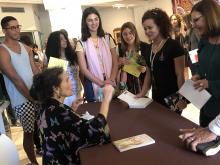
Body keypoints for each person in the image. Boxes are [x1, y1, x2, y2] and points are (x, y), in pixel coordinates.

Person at [30, 67, 114, 165]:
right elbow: (95, 130)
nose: (71, 82)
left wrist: (71, 109)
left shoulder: (45, 106)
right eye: (67, 80)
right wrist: (106, 99)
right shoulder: (60, 111)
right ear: (56, 89)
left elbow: (60, 126)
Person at [0, 16, 39, 164]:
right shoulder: (2, 51)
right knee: (29, 133)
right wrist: (32, 97)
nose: (16, 30)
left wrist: (42, 89)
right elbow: (15, 79)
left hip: (35, 95)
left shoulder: (25, 47)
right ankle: (33, 162)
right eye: (12, 27)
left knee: (41, 129)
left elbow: (34, 70)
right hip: (21, 99)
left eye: (18, 26)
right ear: (4, 30)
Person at [136, 8, 187, 114]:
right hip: (156, 97)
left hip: (172, 99)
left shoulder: (174, 46)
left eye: (150, 27)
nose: (147, 31)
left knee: (172, 127)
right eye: (145, 29)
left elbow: (180, 75)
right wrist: (142, 93)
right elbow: (149, 74)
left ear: (160, 26)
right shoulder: (148, 49)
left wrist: (183, 98)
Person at [183, 0, 220, 127]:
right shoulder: (204, 40)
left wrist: (209, 83)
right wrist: (198, 75)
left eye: (196, 20)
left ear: (210, 16)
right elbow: (201, 65)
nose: (193, 25)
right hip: (206, 105)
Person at [76, 7, 118, 102]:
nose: (94, 23)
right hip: (92, 84)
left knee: (114, 112)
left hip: (111, 80)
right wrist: (101, 83)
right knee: (95, 113)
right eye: (90, 20)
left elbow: (115, 62)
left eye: (96, 19)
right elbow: (83, 69)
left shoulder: (107, 38)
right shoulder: (81, 43)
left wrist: (111, 80)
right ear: (85, 23)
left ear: (99, 20)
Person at [46, 31, 82, 107]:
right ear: (55, 42)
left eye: (65, 38)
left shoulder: (72, 56)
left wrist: (79, 91)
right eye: (61, 39)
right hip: (64, 97)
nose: (65, 40)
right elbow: (55, 83)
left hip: (77, 92)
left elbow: (77, 75)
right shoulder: (54, 61)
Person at [117, 22, 149, 94]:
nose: (128, 36)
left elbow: (150, 67)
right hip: (128, 88)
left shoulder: (145, 47)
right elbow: (123, 71)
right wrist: (122, 87)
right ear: (122, 36)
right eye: (125, 34)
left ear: (135, 32)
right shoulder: (120, 49)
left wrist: (145, 69)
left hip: (144, 87)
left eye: (130, 33)